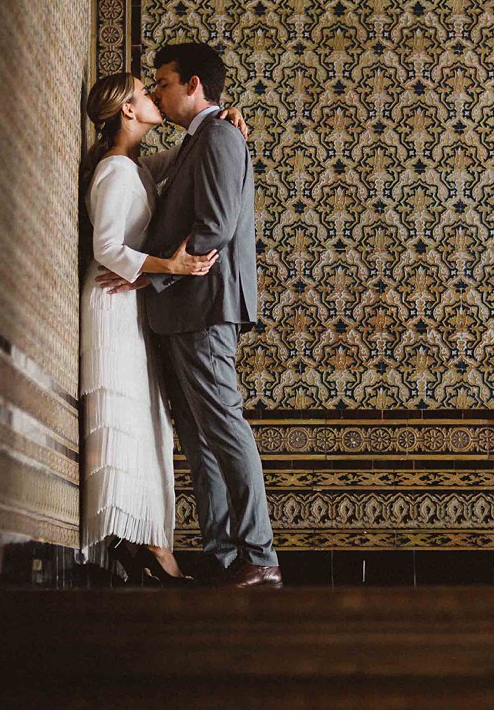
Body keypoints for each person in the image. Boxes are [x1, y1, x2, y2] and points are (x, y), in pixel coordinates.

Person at [97, 42, 281, 589]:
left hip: (204, 306)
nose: (156, 91)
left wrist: (151, 274)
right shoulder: (195, 142)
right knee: (199, 438)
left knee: (224, 428)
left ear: (194, 85)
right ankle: (225, 557)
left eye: (164, 82)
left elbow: (217, 225)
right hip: (180, 311)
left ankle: (260, 554)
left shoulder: (220, 136)